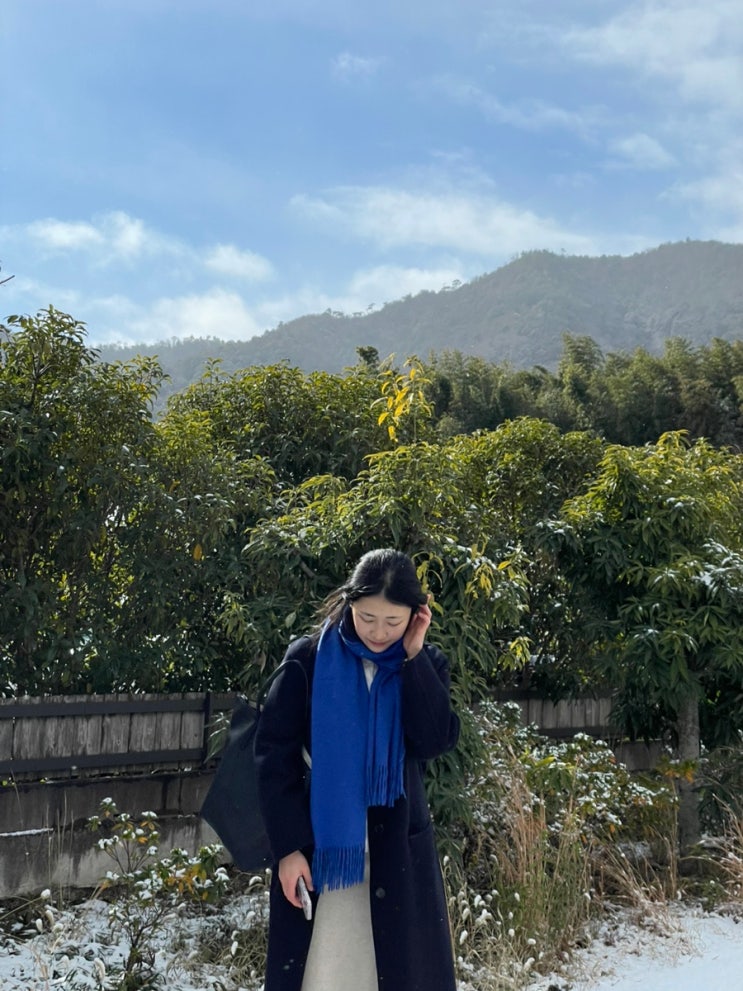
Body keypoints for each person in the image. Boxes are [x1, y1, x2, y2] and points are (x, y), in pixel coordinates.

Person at [254, 548, 460, 991]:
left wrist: (414, 657)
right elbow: (273, 756)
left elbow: (433, 741)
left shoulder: (424, 664)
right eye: (367, 618)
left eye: (393, 621)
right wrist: (288, 850)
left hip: (396, 857)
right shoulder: (308, 660)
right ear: (349, 603)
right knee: (321, 977)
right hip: (322, 860)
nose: (379, 632)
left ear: (416, 616)